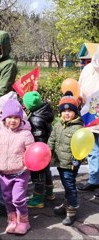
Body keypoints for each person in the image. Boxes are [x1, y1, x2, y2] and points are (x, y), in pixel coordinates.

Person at [0, 99, 34, 235]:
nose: (12, 120)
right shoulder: (0, 133)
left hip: (21, 172)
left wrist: (28, 165)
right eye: (9, 117)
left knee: (18, 199)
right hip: (4, 173)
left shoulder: (26, 134)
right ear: (4, 118)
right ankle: (12, 220)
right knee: (8, 199)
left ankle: (24, 222)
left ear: (21, 118)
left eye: (16, 117)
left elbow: (31, 151)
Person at [48, 93, 84, 226]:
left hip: (71, 164)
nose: (66, 113)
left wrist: (77, 159)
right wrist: (48, 152)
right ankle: (66, 203)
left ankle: (72, 210)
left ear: (75, 112)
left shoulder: (78, 128)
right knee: (66, 185)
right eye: (64, 110)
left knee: (70, 186)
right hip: (60, 162)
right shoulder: (58, 125)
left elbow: (82, 145)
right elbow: (52, 140)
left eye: (70, 110)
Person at [0, 91, 18, 217]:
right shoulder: (6, 121)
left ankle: (4, 205)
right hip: (3, 158)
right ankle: (7, 204)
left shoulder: (7, 124)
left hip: (6, 160)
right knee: (5, 184)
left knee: (1, 183)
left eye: (1, 111)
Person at [22, 91, 55, 208]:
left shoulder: (35, 120)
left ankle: (38, 200)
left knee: (38, 175)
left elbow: (38, 138)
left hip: (40, 151)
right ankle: (50, 193)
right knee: (46, 171)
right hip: (47, 148)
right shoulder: (44, 112)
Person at [77, 47, 99, 197]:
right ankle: (94, 180)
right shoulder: (87, 70)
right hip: (90, 115)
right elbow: (79, 88)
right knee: (93, 149)